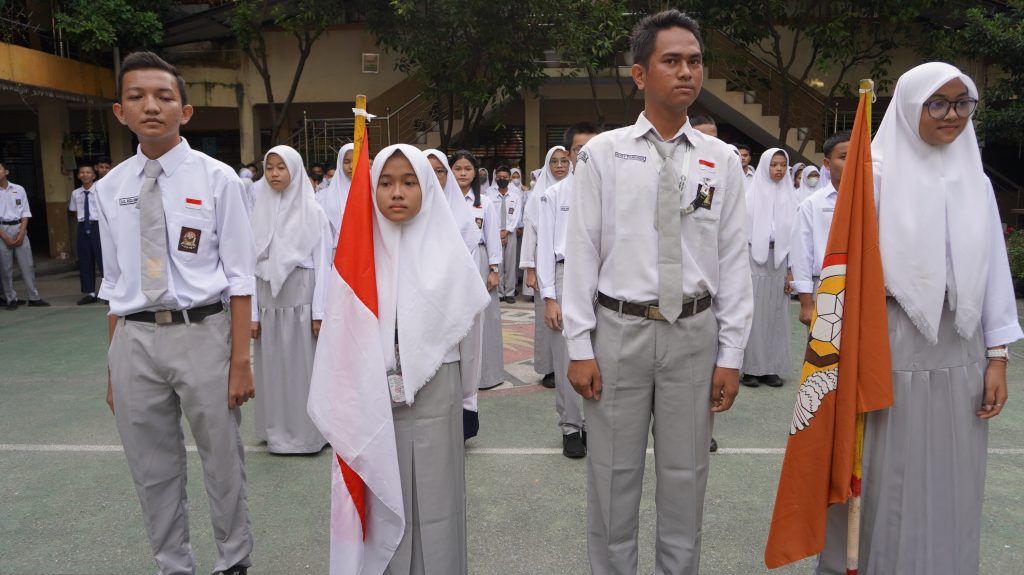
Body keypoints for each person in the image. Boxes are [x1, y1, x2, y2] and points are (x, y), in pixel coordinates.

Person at [563, 11, 752, 574]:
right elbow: (582, 252)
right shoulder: (603, 154)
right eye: (671, 61)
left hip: (693, 334)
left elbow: (733, 260)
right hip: (618, 332)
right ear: (641, 74)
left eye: (694, 61)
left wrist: (732, 353)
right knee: (611, 478)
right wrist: (578, 345)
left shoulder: (721, 160)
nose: (686, 71)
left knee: (686, 479)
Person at [816, 62, 1022, 575]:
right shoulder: (873, 176)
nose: (952, 115)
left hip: (961, 348)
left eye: (962, 103)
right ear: (911, 107)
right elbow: (845, 270)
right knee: (890, 474)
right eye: (938, 103)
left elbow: (994, 271)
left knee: (953, 473)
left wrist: (997, 357)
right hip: (887, 344)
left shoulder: (976, 181)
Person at [96, 51, 255, 575]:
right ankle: (173, 565)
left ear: (185, 111)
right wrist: (114, 365)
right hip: (133, 340)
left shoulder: (218, 179)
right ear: (120, 112)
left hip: (201, 333)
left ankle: (233, 560)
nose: (151, 106)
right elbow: (115, 283)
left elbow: (240, 277)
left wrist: (240, 361)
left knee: (222, 458)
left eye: (164, 97)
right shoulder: (109, 189)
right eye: (137, 97)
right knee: (151, 467)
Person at [371, 144, 490, 575]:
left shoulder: (449, 252)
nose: (396, 193)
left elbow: (469, 333)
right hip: (376, 387)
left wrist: (468, 397)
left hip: (438, 386)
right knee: (384, 494)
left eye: (409, 182)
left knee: (438, 492)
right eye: (386, 182)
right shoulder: (361, 252)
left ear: (427, 188)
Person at [249, 145, 330, 454]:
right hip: (268, 299)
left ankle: (307, 434)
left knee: (302, 368)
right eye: (269, 168)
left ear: (295, 170)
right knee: (272, 366)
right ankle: (275, 431)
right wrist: (253, 313)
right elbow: (248, 264)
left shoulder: (313, 212)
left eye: (281, 167)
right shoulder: (259, 210)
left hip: (301, 296)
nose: (274, 174)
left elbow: (323, 264)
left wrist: (319, 312)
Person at [537, 124, 598, 458]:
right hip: (566, 275)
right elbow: (545, 248)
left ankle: (594, 424)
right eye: (578, 149)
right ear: (570, 154)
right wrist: (549, 297)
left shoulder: (613, 192)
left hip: (604, 279)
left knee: (601, 354)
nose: (585, 155)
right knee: (567, 356)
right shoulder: (554, 195)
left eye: (592, 148)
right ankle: (571, 427)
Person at [426, 148, 488, 439]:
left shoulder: (461, 215)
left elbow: (467, 265)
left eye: (440, 171)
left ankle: (462, 418)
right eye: (428, 170)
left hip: (454, 299)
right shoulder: (408, 210)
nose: (434, 176)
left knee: (460, 359)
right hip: (421, 303)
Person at [451, 150, 505, 392]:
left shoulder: (485, 202)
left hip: (480, 261)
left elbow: (492, 237)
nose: (462, 173)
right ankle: (455, 375)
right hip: (452, 263)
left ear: (475, 173)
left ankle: (486, 375)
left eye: (467, 169)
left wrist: (493, 269)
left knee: (484, 317)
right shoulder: (442, 201)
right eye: (458, 168)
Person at [741, 148, 794, 387]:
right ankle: (751, 368)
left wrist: (791, 270)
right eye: (774, 165)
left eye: (782, 164)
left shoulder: (791, 197)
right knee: (754, 315)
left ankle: (771, 368)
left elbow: (796, 238)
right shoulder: (750, 197)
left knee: (776, 315)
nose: (779, 169)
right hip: (753, 260)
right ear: (765, 166)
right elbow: (740, 235)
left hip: (780, 262)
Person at [520, 146, 568, 390]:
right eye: (554, 162)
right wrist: (530, 269)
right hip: (543, 263)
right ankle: (549, 368)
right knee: (547, 317)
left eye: (564, 161)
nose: (559, 166)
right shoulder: (537, 196)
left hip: (570, 263)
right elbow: (530, 235)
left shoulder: (578, 190)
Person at [790, 132, 850, 328]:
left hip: (863, 286)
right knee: (825, 344)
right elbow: (802, 255)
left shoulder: (873, 200)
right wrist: (806, 303)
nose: (851, 162)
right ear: (827, 163)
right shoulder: (812, 204)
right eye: (843, 157)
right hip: (825, 285)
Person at [0, 161, 50, 310]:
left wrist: (22, 232)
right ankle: (11, 298)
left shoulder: (18, 189)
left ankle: (34, 297)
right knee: (5, 267)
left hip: (19, 227)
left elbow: (25, 212)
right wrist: (5, 237)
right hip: (2, 230)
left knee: (27, 265)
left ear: (6, 172)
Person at [68, 164, 103, 305]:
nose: (85, 174)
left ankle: (109, 292)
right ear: (78, 176)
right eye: (82, 172)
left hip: (98, 226)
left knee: (103, 259)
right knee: (85, 260)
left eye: (88, 172)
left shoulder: (100, 191)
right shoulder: (75, 193)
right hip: (83, 226)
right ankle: (90, 293)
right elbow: (74, 211)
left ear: (93, 176)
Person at [490, 165, 522, 304]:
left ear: (509, 178)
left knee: (510, 264)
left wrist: (507, 231)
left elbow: (517, 214)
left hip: (510, 233)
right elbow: (489, 215)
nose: (502, 179)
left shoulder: (515, 195)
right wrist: (497, 233)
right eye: (499, 177)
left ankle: (509, 292)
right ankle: (499, 292)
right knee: (498, 263)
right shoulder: (489, 194)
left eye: (505, 177)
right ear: (495, 178)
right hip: (494, 233)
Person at [319, 143, 355, 256]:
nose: (351, 166)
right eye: (346, 162)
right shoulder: (326, 195)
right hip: (338, 252)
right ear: (340, 163)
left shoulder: (372, 190)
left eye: (355, 160)